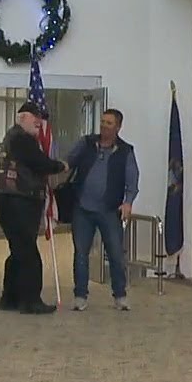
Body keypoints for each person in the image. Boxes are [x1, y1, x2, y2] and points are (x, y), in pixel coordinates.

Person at [0, 102, 66, 314]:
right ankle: (30, 301)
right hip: (19, 202)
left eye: (40, 117)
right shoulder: (21, 139)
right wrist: (60, 166)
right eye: (33, 116)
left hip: (12, 202)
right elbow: (39, 163)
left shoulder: (16, 138)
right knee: (28, 255)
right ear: (21, 118)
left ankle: (10, 298)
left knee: (18, 252)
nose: (39, 120)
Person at [65, 108, 138, 312]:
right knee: (81, 253)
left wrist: (128, 202)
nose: (104, 126)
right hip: (82, 208)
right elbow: (69, 162)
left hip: (109, 210)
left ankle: (120, 296)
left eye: (109, 123)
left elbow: (132, 180)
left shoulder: (125, 151)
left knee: (115, 253)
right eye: (103, 122)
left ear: (118, 127)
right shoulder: (87, 144)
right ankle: (80, 296)